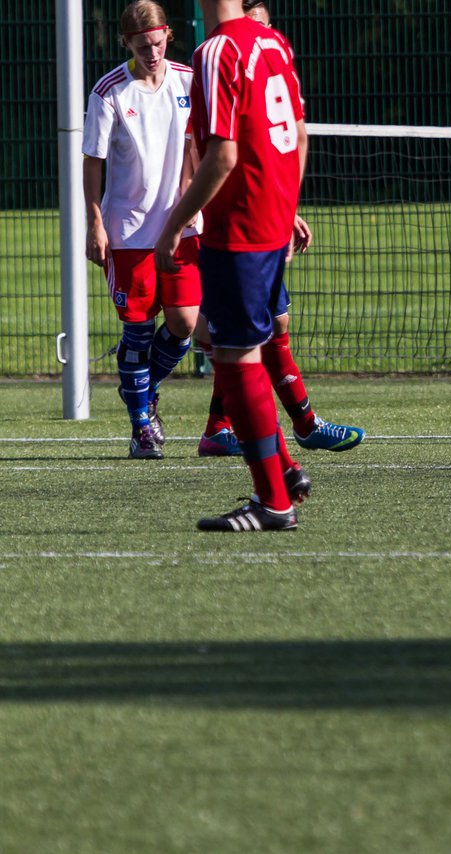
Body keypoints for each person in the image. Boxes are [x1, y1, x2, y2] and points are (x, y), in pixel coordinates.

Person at [155, 0, 316, 531]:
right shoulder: (275, 41)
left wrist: (175, 222)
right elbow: (298, 133)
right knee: (234, 341)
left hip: (240, 223)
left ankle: (272, 500)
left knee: (232, 352)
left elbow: (221, 155)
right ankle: (284, 471)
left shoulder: (216, 49)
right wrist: (287, 207)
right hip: (270, 216)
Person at [194, 0, 365, 459]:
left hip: (259, 214)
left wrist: (286, 209)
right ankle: (272, 448)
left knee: (252, 334)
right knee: (228, 340)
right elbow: (218, 155)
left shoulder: (256, 49)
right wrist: (182, 220)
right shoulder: (220, 56)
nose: (260, 31)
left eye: (266, 24)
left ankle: (280, 458)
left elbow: (282, 141)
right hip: (238, 221)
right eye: (255, 22)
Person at [83, 1, 199, 460]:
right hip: (128, 230)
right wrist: (95, 221)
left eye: (157, 42)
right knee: (137, 330)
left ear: (167, 35)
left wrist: (192, 199)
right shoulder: (109, 91)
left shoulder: (190, 80)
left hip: (181, 227)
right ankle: (141, 428)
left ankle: (140, 389)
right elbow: (93, 161)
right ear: (126, 43)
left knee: (185, 324)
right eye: (141, 44)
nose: (151, 52)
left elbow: (199, 146)